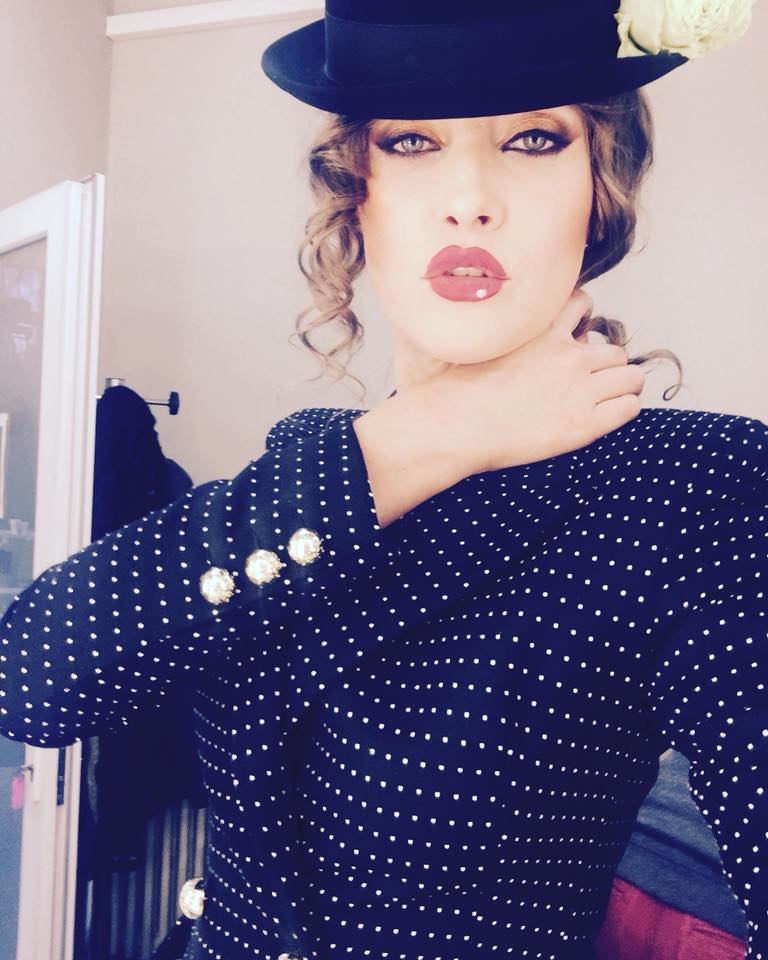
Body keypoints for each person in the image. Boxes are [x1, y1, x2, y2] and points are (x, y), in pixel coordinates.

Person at [0, 2, 763, 960]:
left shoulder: (696, 485)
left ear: (599, 196)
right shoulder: (314, 455)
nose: (469, 200)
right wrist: (439, 430)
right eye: (411, 141)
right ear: (356, 196)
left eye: (534, 139)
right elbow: (33, 680)